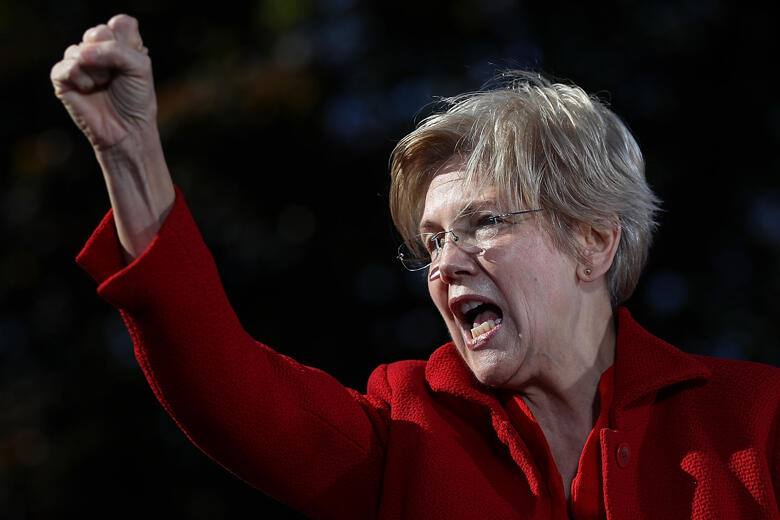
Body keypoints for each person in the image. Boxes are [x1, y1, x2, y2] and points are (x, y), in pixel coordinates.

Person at [51, 14, 780, 520]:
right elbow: (223, 381)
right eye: (430, 242)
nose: (445, 265)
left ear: (594, 241)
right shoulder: (407, 431)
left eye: (484, 222)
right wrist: (129, 153)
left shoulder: (756, 419)